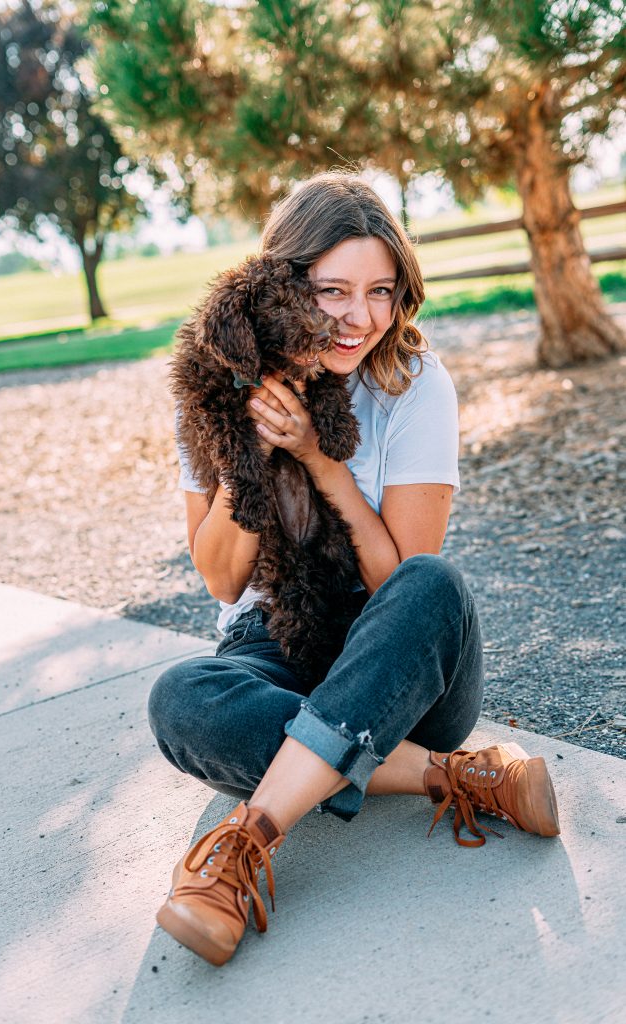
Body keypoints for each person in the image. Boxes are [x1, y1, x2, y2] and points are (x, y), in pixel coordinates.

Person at [148, 171, 560, 968]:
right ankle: (452, 777)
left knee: (432, 582)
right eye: (331, 289)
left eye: (380, 291)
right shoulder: (212, 385)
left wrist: (316, 457)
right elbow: (221, 582)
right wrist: (258, 453)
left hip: (395, 664)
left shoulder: (413, 385)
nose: (359, 318)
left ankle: (245, 844)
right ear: (281, 282)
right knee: (181, 700)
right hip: (274, 640)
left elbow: (402, 586)